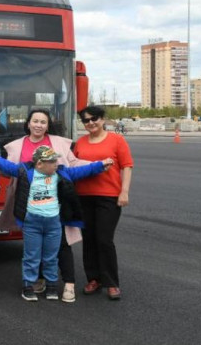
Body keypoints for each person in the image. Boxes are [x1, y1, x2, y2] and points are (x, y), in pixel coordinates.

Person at [0, 145, 112, 301]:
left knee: (51, 257)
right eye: (52, 161)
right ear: (39, 164)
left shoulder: (61, 173)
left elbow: (83, 170)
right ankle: (28, 285)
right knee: (31, 256)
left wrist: (101, 164)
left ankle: (51, 285)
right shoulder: (25, 172)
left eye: (56, 160)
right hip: (32, 224)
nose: (56, 163)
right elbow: (6, 165)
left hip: (54, 224)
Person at [0, 108, 84, 300]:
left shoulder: (58, 143)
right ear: (28, 123)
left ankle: (69, 283)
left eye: (43, 122)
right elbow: (8, 169)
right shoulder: (17, 145)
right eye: (35, 121)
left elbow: (74, 163)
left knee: (62, 244)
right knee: (35, 246)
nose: (38, 125)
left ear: (47, 125)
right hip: (30, 204)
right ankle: (39, 280)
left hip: (58, 202)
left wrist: (99, 164)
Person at [74, 105, 134, 301]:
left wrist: (124, 191)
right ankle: (93, 279)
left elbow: (126, 166)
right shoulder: (80, 143)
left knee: (104, 239)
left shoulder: (117, 140)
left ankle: (111, 282)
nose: (90, 123)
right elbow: (73, 168)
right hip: (83, 196)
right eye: (86, 120)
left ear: (102, 119)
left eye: (94, 119)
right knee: (89, 239)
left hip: (109, 196)